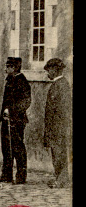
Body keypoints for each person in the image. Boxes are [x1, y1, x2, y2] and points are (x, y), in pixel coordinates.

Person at [0, 56, 31, 185]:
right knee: (6, 147)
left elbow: (26, 102)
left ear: (14, 68)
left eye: (7, 66)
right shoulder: (9, 80)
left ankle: (21, 176)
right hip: (6, 120)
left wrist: (12, 111)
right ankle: (6, 174)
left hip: (17, 120)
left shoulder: (22, 81)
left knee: (17, 148)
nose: (5, 69)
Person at [43, 58, 70, 188]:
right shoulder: (56, 84)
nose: (48, 72)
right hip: (53, 127)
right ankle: (59, 178)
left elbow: (64, 109)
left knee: (60, 153)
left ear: (55, 70)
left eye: (49, 69)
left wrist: (61, 127)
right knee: (56, 153)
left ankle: (62, 180)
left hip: (59, 127)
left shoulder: (62, 85)